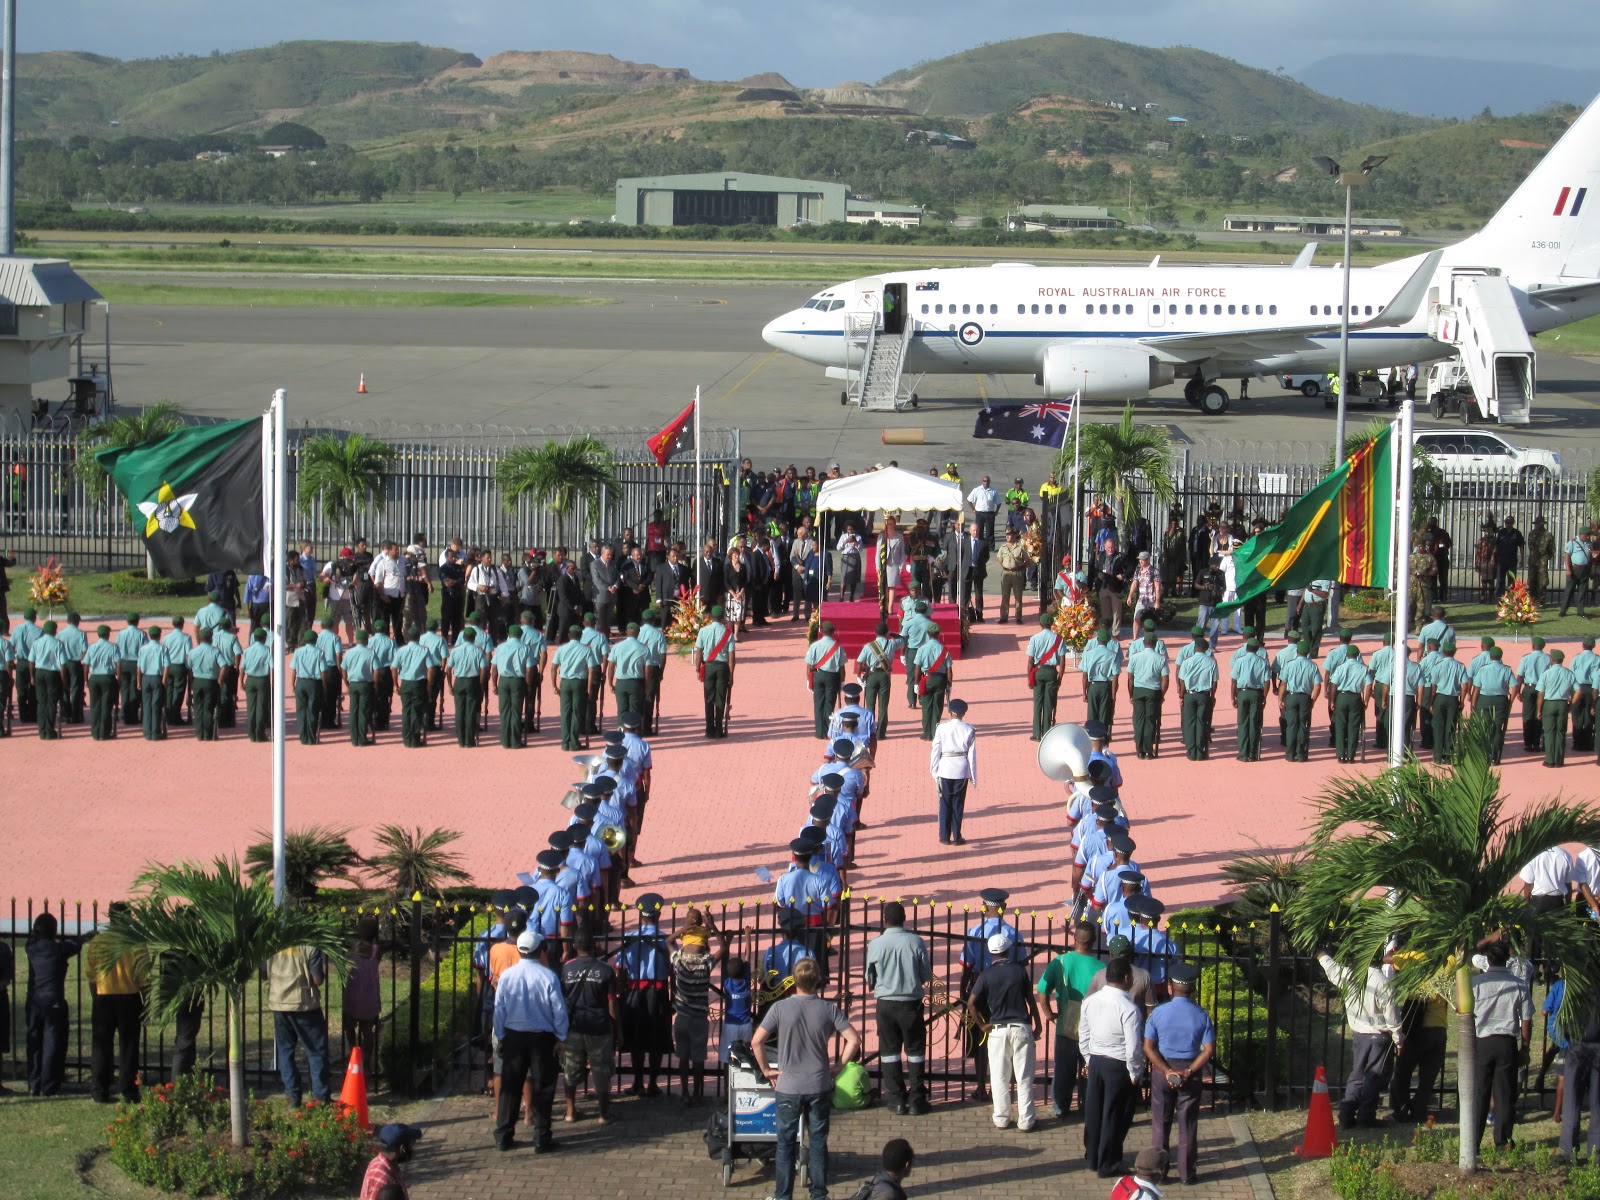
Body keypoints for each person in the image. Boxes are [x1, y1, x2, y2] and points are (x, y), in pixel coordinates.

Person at [750, 956, 862, 1200]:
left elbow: (756, 1041)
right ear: (818, 980)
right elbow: (854, 1039)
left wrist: (766, 1070)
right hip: (819, 1083)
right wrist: (839, 1066)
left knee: (785, 1144)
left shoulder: (780, 1008)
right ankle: (818, 1194)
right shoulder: (828, 1009)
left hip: (788, 1085)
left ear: (794, 980)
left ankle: (783, 1196)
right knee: (818, 1142)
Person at [493, 927, 569, 1153]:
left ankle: (503, 1136)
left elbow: (500, 1010)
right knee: (544, 1087)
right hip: (542, 1039)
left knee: (510, 1086)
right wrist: (561, 1037)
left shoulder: (507, 976)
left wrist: (501, 1035)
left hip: (514, 1036)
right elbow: (559, 1010)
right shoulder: (548, 976)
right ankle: (541, 1137)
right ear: (539, 951)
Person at [1143, 962, 1216, 1185]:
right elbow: (1210, 1050)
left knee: (1160, 1124)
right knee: (1188, 1124)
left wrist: (1166, 1070)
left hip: (1162, 1070)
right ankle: (1186, 1174)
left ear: (1171, 987)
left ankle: (1159, 1172)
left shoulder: (1158, 1013)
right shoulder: (1202, 1016)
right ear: (1192, 989)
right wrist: (1189, 1071)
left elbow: (1148, 1047)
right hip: (1189, 1071)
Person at [967, 929, 1042, 1132]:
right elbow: (1030, 1000)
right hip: (1021, 1027)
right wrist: (1038, 1023)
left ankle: (1001, 1118)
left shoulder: (986, 975)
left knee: (999, 1076)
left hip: (998, 1029)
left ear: (992, 953)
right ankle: (1026, 1120)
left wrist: (982, 1025)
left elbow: (971, 1003)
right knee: (1024, 1076)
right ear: (1008, 951)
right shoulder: (1019, 971)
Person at [1316, 948, 1400, 1129]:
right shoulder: (1382, 982)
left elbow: (1332, 969)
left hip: (1359, 1034)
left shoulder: (1349, 975)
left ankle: (1346, 1114)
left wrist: (1322, 955)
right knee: (1373, 1077)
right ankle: (1365, 1116)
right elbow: (1392, 1017)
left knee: (1357, 1075)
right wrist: (1399, 1039)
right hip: (1379, 1035)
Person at [1079, 956, 1145, 1178]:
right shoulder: (1129, 1008)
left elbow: (1084, 1033)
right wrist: (1135, 1072)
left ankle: (1093, 1157)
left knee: (1094, 1112)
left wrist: (1088, 1059)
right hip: (1118, 1064)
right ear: (1127, 978)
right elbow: (1133, 1047)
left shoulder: (1091, 1001)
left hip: (1096, 1059)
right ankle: (1109, 1163)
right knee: (1114, 1115)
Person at [866, 901, 931, 1116]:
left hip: (885, 1003)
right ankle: (917, 1099)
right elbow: (926, 975)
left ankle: (896, 1099)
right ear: (904, 918)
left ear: (885, 919)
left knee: (889, 1052)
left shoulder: (875, 944)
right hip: (910, 1003)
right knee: (915, 1051)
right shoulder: (916, 941)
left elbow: (870, 977)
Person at [1468, 939, 1531, 1152]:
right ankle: (1502, 1140)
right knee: (1505, 1094)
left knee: (1480, 1093)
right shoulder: (1517, 983)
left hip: (1483, 1040)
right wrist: (1525, 1046)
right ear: (1507, 959)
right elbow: (1526, 1018)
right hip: (1506, 1042)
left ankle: (1473, 1142)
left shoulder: (1477, 983)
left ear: (1488, 959)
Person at [1038, 924, 1100, 1120]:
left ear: (1075, 940)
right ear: (1094, 941)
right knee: (1088, 1067)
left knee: (1064, 1068)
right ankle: (1086, 1105)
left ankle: (1060, 1106)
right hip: (1092, 1026)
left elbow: (1042, 990)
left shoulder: (1060, 962)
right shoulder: (1101, 967)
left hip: (1066, 1023)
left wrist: (1048, 1013)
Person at [88, 906, 149, 1104]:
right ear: (128, 918)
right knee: (129, 1046)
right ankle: (128, 1090)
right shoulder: (136, 943)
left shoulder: (98, 942)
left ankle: (99, 1089)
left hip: (104, 996)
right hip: (129, 996)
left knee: (101, 1046)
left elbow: (91, 975)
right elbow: (144, 977)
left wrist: (95, 997)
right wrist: (146, 1001)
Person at [559, 929, 620, 1125]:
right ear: (593, 946)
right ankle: (603, 1114)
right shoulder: (606, 970)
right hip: (599, 1027)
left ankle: (570, 1111)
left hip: (574, 1026)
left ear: (575, 946)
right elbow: (611, 1003)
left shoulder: (566, 969)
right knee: (600, 1070)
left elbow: (562, 1001)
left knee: (571, 1069)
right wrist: (616, 1028)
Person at [670, 907, 725, 1107]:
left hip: (682, 1017)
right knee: (698, 1059)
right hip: (699, 1019)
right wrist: (714, 928)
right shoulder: (705, 962)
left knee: (683, 1057)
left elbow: (668, 941)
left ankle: (684, 1092)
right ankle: (697, 1093)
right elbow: (723, 948)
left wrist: (681, 929)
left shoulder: (679, 961)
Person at [265, 943, 331, 1106]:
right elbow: (317, 979)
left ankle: (292, 1096)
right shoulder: (309, 947)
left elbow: (263, 972)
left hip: (279, 1003)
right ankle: (320, 1097)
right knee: (316, 1050)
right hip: (304, 1004)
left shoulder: (273, 945)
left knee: (285, 1051)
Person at [25, 912, 78, 1095]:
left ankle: (34, 1083)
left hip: (34, 1000)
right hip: (53, 999)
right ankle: (48, 1085)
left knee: (34, 1043)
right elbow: (74, 945)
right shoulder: (59, 950)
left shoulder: (30, 947)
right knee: (52, 1043)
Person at [929, 697, 976, 845]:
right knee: (958, 803)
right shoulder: (969, 729)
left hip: (945, 768)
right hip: (961, 769)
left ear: (949, 712)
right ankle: (957, 836)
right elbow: (972, 755)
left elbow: (935, 751)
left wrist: (934, 770)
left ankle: (944, 836)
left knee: (944, 803)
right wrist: (973, 775)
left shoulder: (941, 728)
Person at [1125, 626, 1168, 759]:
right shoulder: (1161, 659)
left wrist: (1131, 694)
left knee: (1138, 721)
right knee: (1150, 721)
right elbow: (1165, 679)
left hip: (1138, 690)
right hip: (1153, 691)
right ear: (1155, 644)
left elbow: (1130, 678)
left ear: (1144, 643)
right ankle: (1148, 751)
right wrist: (1162, 695)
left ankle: (1139, 750)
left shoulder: (1135, 657)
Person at [693, 605, 735, 739]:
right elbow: (731, 656)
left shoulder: (703, 631)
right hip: (722, 667)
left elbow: (699, 652)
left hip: (709, 666)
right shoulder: (728, 633)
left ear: (710, 617)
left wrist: (698, 669)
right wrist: (731, 674)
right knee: (721, 698)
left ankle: (709, 729)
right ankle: (719, 729)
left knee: (708, 698)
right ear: (723, 618)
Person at [1175, 631, 1218, 761]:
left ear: (1194, 648)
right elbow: (1214, 682)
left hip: (1189, 695)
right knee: (1202, 723)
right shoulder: (1211, 662)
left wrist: (1181, 696)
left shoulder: (1187, 662)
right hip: (1204, 695)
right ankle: (1200, 751)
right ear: (1206, 649)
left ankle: (1191, 751)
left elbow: (1181, 680)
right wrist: (1212, 696)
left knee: (1189, 723)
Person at [1026, 613, 1068, 740]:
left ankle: (1036, 733)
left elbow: (1030, 661)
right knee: (1049, 703)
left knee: (1037, 702)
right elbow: (1062, 661)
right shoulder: (1059, 639)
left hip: (1038, 671)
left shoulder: (1034, 638)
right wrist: (1060, 677)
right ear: (1051, 624)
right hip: (1051, 672)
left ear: (1040, 624)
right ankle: (1046, 733)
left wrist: (1029, 678)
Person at [1536, 648, 1577, 767]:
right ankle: (1559, 760)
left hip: (1549, 703)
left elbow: (1541, 694)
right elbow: (1578, 691)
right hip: (1563, 703)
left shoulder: (1546, 674)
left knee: (1549, 732)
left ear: (1552, 660)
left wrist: (1539, 710)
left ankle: (1550, 760)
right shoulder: (1569, 673)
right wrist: (1571, 704)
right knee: (1560, 732)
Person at [805, 621, 847, 738]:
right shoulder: (838, 647)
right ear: (833, 632)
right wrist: (842, 681)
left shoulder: (814, 645)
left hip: (818, 675)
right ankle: (828, 730)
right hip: (832, 677)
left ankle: (819, 732)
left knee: (818, 704)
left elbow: (809, 665)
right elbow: (842, 667)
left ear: (822, 631)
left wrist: (809, 680)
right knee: (829, 703)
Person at [360, 1123, 422, 1200]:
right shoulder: (383, 1180)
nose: (412, 1148)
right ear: (403, 1149)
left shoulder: (389, 1165)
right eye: (411, 1144)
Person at [913, 622, 952, 740]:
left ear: (928, 633)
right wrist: (949, 685)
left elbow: (917, 668)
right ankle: (935, 732)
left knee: (926, 707)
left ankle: (926, 733)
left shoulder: (922, 649)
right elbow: (949, 669)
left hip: (927, 679)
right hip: (940, 679)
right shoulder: (944, 650)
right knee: (938, 707)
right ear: (938, 634)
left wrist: (916, 684)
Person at [84, 624, 121, 741]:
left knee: (95, 706)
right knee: (106, 706)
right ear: (108, 634)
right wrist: (118, 679)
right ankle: (104, 732)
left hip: (94, 677)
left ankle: (95, 732)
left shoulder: (92, 647)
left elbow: (86, 664)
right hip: (108, 678)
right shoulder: (113, 647)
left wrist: (86, 679)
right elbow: (118, 664)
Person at [995, 528, 1029, 623]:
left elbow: (1027, 560)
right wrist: (1006, 567)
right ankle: (1004, 616)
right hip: (1006, 573)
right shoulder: (1003, 547)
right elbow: (1000, 559)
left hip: (1017, 573)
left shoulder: (1020, 547)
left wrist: (1020, 568)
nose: (1007, 536)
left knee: (1018, 596)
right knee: (1005, 595)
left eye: (1009, 534)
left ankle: (1018, 617)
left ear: (1014, 535)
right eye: (1006, 534)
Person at [1563, 527, 1593, 617]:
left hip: (1585, 569)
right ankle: (1563, 611)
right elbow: (1567, 556)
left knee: (1582, 591)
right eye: (1587, 535)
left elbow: (1590, 556)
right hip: (1574, 568)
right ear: (1581, 534)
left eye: (1589, 535)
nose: (1588, 537)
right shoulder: (1572, 542)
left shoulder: (1589, 543)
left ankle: (1580, 611)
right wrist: (1568, 569)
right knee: (1569, 590)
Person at [968, 475, 1001, 545]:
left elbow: (999, 502)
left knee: (990, 531)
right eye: (984, 481)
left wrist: (996, 511)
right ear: (982, 482)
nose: (986, 482)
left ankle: (991, 546)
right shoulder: (977, 490)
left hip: (990, 513)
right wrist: (973, 509)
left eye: (987, 481)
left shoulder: (993, 491)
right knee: (979, 530)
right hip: (979, 513)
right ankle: (979, 545)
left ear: (990, 482)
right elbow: (969, 500)